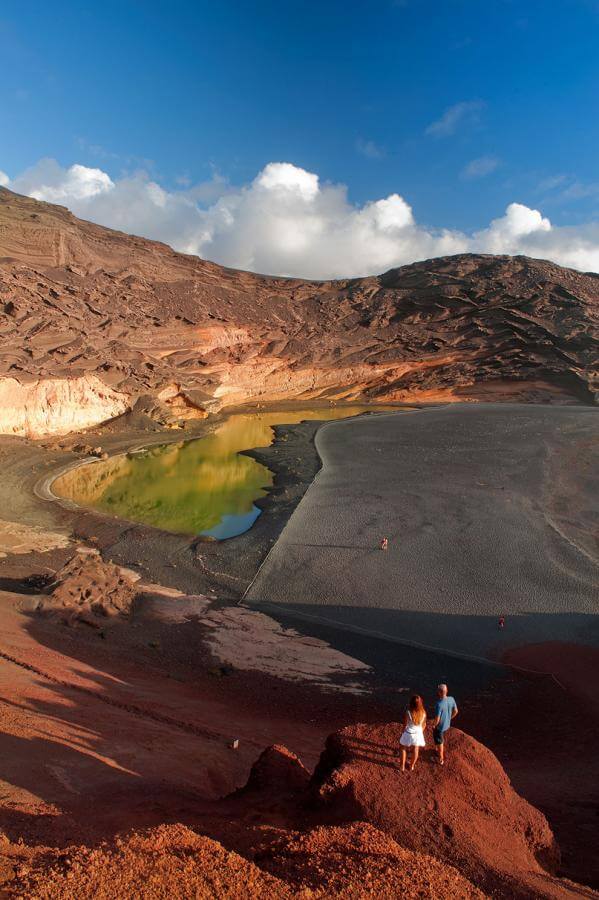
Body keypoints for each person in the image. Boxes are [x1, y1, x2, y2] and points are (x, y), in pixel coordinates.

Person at [399, 694, 426, 772]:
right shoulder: (424, 713)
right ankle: (411, 766)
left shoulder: (408, 712)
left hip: (408, 733)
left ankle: (402, 767)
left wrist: (402, 732)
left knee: (402, 747)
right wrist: (420, 732)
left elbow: (405, 724)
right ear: (421, 703)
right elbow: (424, 725)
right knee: (416, 749)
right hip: (418, 734)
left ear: (411, 703)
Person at [432, 683, 458, 766]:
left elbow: (437, 719)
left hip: (440, 727)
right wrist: (449, 718)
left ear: (439, 692)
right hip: (447, 724)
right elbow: (456, 711)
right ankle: (438, 750)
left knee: (440, 742)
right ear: (447, 691)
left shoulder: (438, 704)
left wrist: (434, 725)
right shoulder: (451, 699)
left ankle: (440, 759)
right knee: (439, 739)